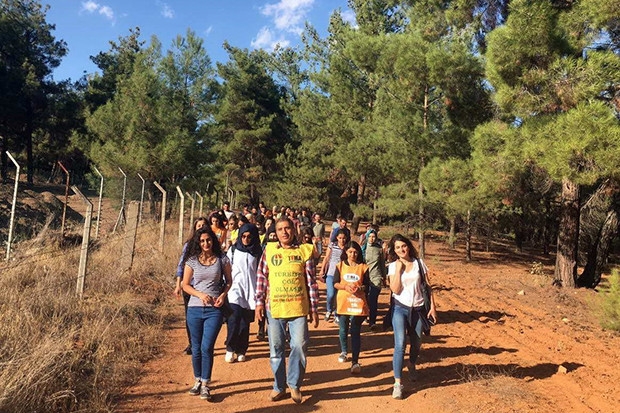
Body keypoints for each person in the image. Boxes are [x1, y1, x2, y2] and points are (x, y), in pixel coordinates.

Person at [255, 217, 320, 404]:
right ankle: (279, 386)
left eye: (287, 228)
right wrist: (259, 302)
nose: (284, 232)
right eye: (280, 229)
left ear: (294, 230)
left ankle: (295, 384)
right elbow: (261, 276)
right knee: (276, 350)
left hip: (298, 308)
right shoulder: (269, 250)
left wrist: (314, 308)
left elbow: (311, 282)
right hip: (274, 308)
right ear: (276, 232)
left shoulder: (304, 251)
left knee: (299, 346)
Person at [181, 226, 232, 401]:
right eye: (202, 241)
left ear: (213, 240)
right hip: (194, 308)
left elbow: (229, 281)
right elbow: (185, 284)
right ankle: (197, 380)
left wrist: (223, 295)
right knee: (195, 348)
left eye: (208, 240)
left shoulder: (222, 259)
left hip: (214, 310)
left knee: (206, 347)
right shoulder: (192, 260)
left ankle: (205, 384)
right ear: (198, 242)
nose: (206, 243)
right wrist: (200, 294)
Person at [387, 234, 437, 400]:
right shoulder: (393, 266)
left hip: (418, 309)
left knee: (416, 343)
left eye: (403, 246)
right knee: (400, 344)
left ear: (408, 246)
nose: (401, 249)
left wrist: (433, 307)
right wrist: (399, 270)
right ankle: (397, 383)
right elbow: (395, 289)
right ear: (394, 250)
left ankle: (412, 364)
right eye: (397, 248)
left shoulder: (419, 263)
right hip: (400, 309)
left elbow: (428, 286)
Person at [225, 223, 261, 363]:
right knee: (234, 319)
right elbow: (226, 268)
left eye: (249, 237)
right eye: (243, 236)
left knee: (245, 323)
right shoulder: (233, 250)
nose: (246, 239)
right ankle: (230, 348)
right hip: (235, 290)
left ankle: (241, 349)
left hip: (251, 291)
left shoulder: (257, 252)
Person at [333, 241, 370, 374]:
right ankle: (344, 351)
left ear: (358, 253)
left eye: (355, 252)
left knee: (355, 331)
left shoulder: (364, 267)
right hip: (343, 302)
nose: (353, 254)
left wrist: (360, 288)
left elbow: (367, 285)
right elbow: (335, 283)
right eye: (350, 252)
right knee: (343, 329)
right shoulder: (340, 266)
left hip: (357, 303)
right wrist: (345, 287)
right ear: (346, 252)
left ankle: (355, 361)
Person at [175, 217, 208, 355]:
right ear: (194, 228)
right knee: (190, 317)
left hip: (205, 287)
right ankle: (192, 344)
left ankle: (203, 344)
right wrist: (178, 285)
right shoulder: (188, 245)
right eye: (198, 225)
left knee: (204, 316)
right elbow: (181, 266)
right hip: (189, 286)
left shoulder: (211, 244)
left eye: (203, 225)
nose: (201, 227)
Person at [320, 228, 350, 323]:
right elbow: (327, 258)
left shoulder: (348, 247)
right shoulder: (332, 245)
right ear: (337, 237)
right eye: (340, 238)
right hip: (331, 273)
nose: (342, 240)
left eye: (344, 238)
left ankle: (337, 313)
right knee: (331, 294)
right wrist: (322, 270)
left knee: (339, 296)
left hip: (342, 275)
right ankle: (329, 310)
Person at [363, 229, 386, 331]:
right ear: (366, 237)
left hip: (376, 276)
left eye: (373, 237)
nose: (372, 239)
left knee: (373, 300)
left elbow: (382, 264)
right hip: (364, 277)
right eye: (370, 236)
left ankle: (372, 321)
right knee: (365, 299)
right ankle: (364, 316)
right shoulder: (362, 249)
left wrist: (384, 277)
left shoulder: (379, 249)